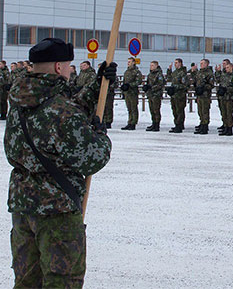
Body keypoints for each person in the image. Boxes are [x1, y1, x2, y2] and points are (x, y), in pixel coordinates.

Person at [5, 38, 114, 287]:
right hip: (57, 212)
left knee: (26, 281)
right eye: (67, 65)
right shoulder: (61, 110)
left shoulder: (19, 102)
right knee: (62, 281)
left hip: (23, 207)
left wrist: (99, 86)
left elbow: (61, 111)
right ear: (57, 68)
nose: (68, 70)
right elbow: (92, 159)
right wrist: (100, 135)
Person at [216, 60, 233, 136]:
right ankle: (225, 127)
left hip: (229, 97)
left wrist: (227, 89)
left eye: (228, 67)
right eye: (225, 67)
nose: (226, 69)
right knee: (224, 113)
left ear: (231, 67)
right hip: (223, 97)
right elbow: (218, 80)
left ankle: (229, 128)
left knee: (229, 113)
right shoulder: (224, 75)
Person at [166, 58, 189, 133]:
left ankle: (179, 125)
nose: (175, 64)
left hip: (180, 95)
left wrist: (176, 87)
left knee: (180, 110)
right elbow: (170, 79)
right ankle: (177, 124)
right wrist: (169, 71)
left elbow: (185, 85)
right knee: (175, 110)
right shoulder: (175, 72)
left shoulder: (183, 73)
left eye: (176, 63)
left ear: (180, 63)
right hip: (174, 95)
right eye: (175, 63)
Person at [192, 59, 214, 135]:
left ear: (207, 64)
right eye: (200, 63)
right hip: (199, 95)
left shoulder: (209, 73)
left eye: (202, 63)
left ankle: (205, 126)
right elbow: (195, 81)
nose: (201, 65)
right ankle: (201, 123)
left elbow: (211, 84)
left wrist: (203, 87)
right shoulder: (199, 72)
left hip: (205, 95)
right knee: (200, 111)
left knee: (205, 111)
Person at [120, 56, 142, 130]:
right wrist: (123, 90)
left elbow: (138, 81)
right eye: (128, 62)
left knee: (133, 108)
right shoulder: (127, 71)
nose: (128, 63)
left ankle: (133, 123)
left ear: (133, 62)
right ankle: (129, 122)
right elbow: (124, 81)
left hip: (133, 92)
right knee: (129, 108)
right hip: (127, 92)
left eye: (129, 62)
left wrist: (130, 85)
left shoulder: (136, 72)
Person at [144, 60, 165, 132]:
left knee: (156, 110)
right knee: (152, 110)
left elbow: (160, 84)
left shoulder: (159, 74)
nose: (151, 67)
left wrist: (152, 88)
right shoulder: (150, 74)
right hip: (150, 94)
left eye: (152, 65)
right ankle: (153, 122)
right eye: (150, 65)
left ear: (156, 66)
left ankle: (157, 124)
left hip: (156, 94)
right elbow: (148, 82)